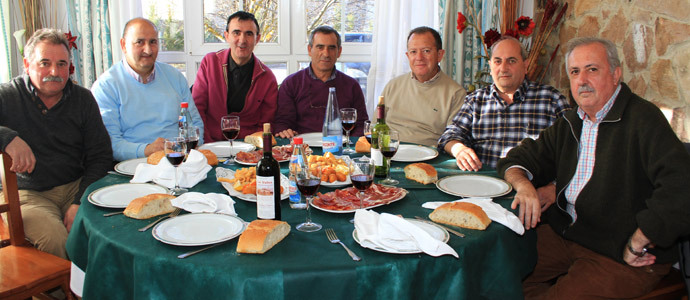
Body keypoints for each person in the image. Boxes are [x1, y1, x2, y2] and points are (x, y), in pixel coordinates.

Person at [497, 37, 690, 299]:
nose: (582, 79)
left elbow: (681, 185)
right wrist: (524, 185)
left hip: (621, 254)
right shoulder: (570, 122)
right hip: (568, 234)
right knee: (495, 273)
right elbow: (517, 159)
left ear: (615, 74)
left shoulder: (643, 120)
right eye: (575, 72)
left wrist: (642, 238)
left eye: (592, 69)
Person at [0, 29, 112, 259]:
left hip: (75, 185)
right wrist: (7, 138)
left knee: (110, 230)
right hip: (26, 194)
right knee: (59, 241)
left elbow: (100, 156)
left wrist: (78, 202)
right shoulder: (7, 95)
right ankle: (72, 293)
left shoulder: (82, 99)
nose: (54, 72)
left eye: (62, 64)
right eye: (45, 63)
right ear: (26, 63)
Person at [438, 36, 570, 170]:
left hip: (531, 185)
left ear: (525, 65)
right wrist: (459, 149)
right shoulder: (476, 100)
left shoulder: (552, 100)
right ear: (490, 66)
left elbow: (572, 150)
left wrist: (552, 187)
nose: (503, 68)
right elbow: (449, 136)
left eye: (511, 61)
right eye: (497, 61)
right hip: (483, 182)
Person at [92, 18, 203, 162]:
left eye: (153, 42)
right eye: (140, 42)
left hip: (179, 159)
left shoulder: (175, 77)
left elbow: (195, 124)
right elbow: (109, 143)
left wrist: (189, 152)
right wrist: (146, 150)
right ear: (123, 45)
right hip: (133, 165)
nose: (148, 50)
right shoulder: (106, 86)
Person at [193, 11, 278, 142]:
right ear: (227, 36)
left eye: (249, 34)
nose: (242, 40)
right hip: (211, 142)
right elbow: (198, 109)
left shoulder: (267, 78)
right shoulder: (209, 63)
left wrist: (252, 151)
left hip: (247, 146)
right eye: (236, 33)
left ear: (257, 38)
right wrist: (206, 144)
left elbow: (265, 125)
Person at [273, 26, 368, 138]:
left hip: (340, 150)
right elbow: (282, 122)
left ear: (339, 52)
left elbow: (361, 125)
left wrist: (350, 145)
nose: (326, 53)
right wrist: (284, 131)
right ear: (309, 50)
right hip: (303, 149)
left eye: (331, 48)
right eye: (320, 47)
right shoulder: (291, 83)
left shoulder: (352, 86)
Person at [380, 26, 466, 147]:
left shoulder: (456, 94)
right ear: (408, 56)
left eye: (426, 51)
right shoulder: (392, 86)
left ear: (439, 55)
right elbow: (375, 127)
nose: (419, 58)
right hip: (388, 155)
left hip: (429, 159)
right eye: (413, 52)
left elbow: (453, 139)